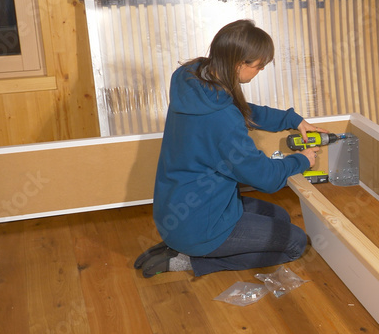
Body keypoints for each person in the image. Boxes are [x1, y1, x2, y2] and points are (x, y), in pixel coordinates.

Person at [134, 19, 325, 277]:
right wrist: (301, 160)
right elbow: (265, 178)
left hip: (177, 211)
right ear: (239, 65)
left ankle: (178, 245)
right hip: (201, 226)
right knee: (295, 243)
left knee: (279, 216)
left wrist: (292, 120)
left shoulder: (191, 75)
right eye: (258, 66)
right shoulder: (222, 120)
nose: (260, 71)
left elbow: (241, 111)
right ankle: (191, 259)